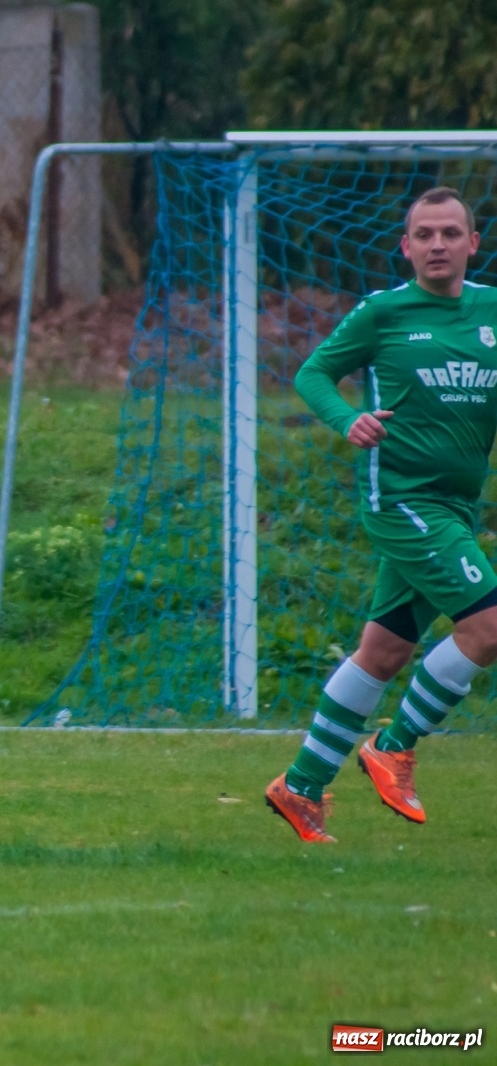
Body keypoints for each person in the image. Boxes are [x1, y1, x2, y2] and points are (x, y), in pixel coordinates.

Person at [266, 186, 497, 843]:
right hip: (401, 500)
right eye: (424, 234)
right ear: (405, 246)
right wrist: (348, 420)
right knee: (490, 628)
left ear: (472, 244)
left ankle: (300, 786)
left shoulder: (492, 312)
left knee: (385, 649)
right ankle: (392, 747)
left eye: (451, 233)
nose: (438, 245)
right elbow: (313, 374)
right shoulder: (384, 313)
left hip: (455, 504)